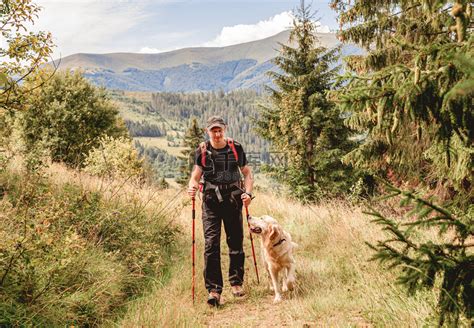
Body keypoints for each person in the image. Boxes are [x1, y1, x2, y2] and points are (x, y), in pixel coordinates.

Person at [187, 115, 254, 307]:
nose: (217, 133)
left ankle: (236, 283)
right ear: (208, 132)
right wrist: (191, 187)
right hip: (210, 202)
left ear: (224, 129)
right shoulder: (202, 150)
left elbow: (247, 173)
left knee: (235, 241)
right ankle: (214, 290)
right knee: (211, 244)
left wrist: (248, 194)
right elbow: (195, 176)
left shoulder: (235, 147)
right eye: (213, 130)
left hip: (233, 200)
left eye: (219, 130)